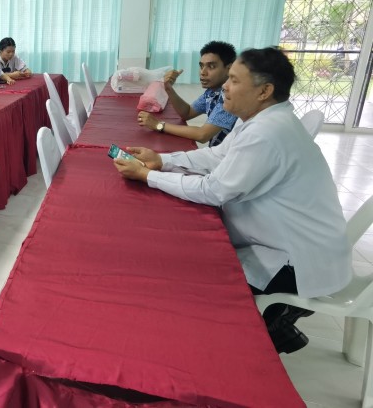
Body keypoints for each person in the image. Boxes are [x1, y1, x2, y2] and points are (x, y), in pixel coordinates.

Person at [113, 47, 351, 354]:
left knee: (200, 285)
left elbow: (213, 190)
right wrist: (163, 160)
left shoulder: (269, 132)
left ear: (264, 91)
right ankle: (275, 325)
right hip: (283, 240)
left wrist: (148, 176)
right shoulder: (257, 119)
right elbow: (217, 155)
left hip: (297, 260)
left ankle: (270, 328)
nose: (225, 85)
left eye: (235, 80)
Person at [139, 41, 238, 146]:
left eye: (211, 66)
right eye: (201, 66)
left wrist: (158, 125)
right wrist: (169, 89)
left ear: (229, 69)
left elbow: (202, 135)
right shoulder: (212, 91)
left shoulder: (231, 96)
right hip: (217, 152)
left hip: (230, 155)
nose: (203, 72)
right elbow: (187, 113)